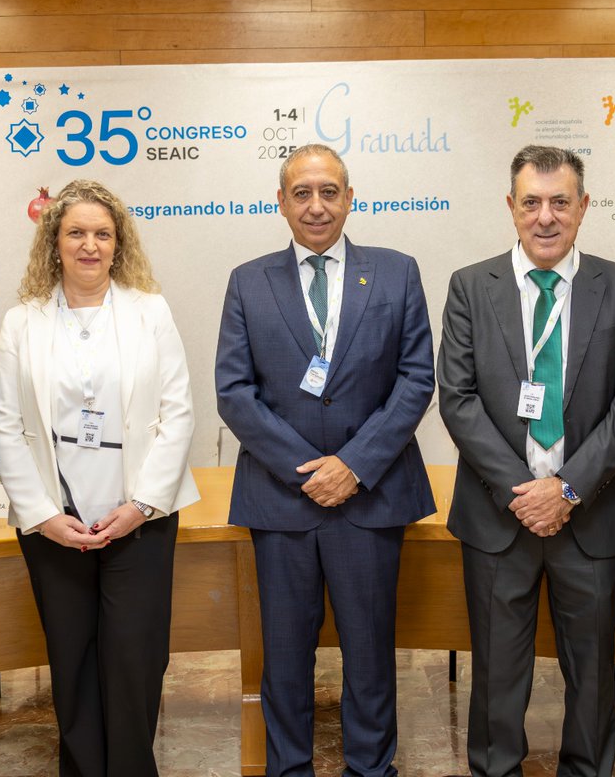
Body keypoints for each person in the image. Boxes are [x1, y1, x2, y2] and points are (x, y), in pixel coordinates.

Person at [215, 143, 435, 777]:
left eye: (329, 191)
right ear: (281, 202)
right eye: (302, 193)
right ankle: (289, 769)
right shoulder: (247, 280)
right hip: (283, 501)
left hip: (370, 495)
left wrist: (354, 465)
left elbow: (416, 379)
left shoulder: (396, 272)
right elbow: (234, 392)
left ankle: (371, 768)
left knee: (369, 652)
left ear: (349, 197)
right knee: (284, 656)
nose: (317, 205)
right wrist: (308, 469)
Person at [437, 145, 615, 777]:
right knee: (496, 677)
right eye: (531, 202)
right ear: (511, 207)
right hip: (497, 519)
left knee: (592, 678)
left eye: (561, 202)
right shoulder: (471, 286)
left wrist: (566, 489)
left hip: (589, 517)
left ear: (584, 207)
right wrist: (522, 491)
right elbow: (458, 399)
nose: (546, 217)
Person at [0, 179, 199, 777]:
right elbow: (4, 425)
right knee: (73, 662)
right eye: (75, 233)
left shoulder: (148, 310)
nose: (89, 245)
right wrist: (42, 516)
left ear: (118, 243)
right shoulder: (23, 321)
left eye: (102, 234)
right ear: (54, 244)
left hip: (139, 521)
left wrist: (141, 504)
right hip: (56, 524)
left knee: (135, 661)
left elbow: (177, 412)